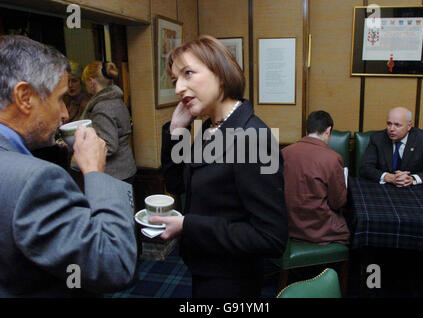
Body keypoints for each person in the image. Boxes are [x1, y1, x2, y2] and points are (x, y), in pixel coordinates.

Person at [0, 35, 137, 297]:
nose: (64, 113)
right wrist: (95, 173)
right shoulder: (34, 180)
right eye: (60, 98)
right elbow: (115, 265)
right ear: (24, 96)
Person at [152, 35, 288, 298]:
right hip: (205, 267)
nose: (179, 88)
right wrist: (176, 130)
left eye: (188, 73)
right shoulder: (211, 127)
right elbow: (177, 184)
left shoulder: (253, 138)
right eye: (175, 80)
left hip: (232, 279)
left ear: (221, 74)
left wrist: (187, 226)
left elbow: (271, 238)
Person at [282, 111, 349, 245]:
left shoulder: (284, 153)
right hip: (318, 229)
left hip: (287, 226)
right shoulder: (332, 159)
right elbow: (338, 202)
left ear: (307, 131)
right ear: (328, 131)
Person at [81, 61, 137, 184]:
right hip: (125, 167)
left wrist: (81, 146)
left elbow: (109, 146)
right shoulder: (116, 100)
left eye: (85, 83)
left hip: (114, 173)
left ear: (91, 82)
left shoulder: (102, 107)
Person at [360, 107, 423, 187]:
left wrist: (412, 179)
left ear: (409, 126)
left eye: (397, 125)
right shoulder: (377, 138)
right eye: (389, 124)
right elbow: (365, 168)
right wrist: (389, 177)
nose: (391, 129)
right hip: (384, 187)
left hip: (414, 189)